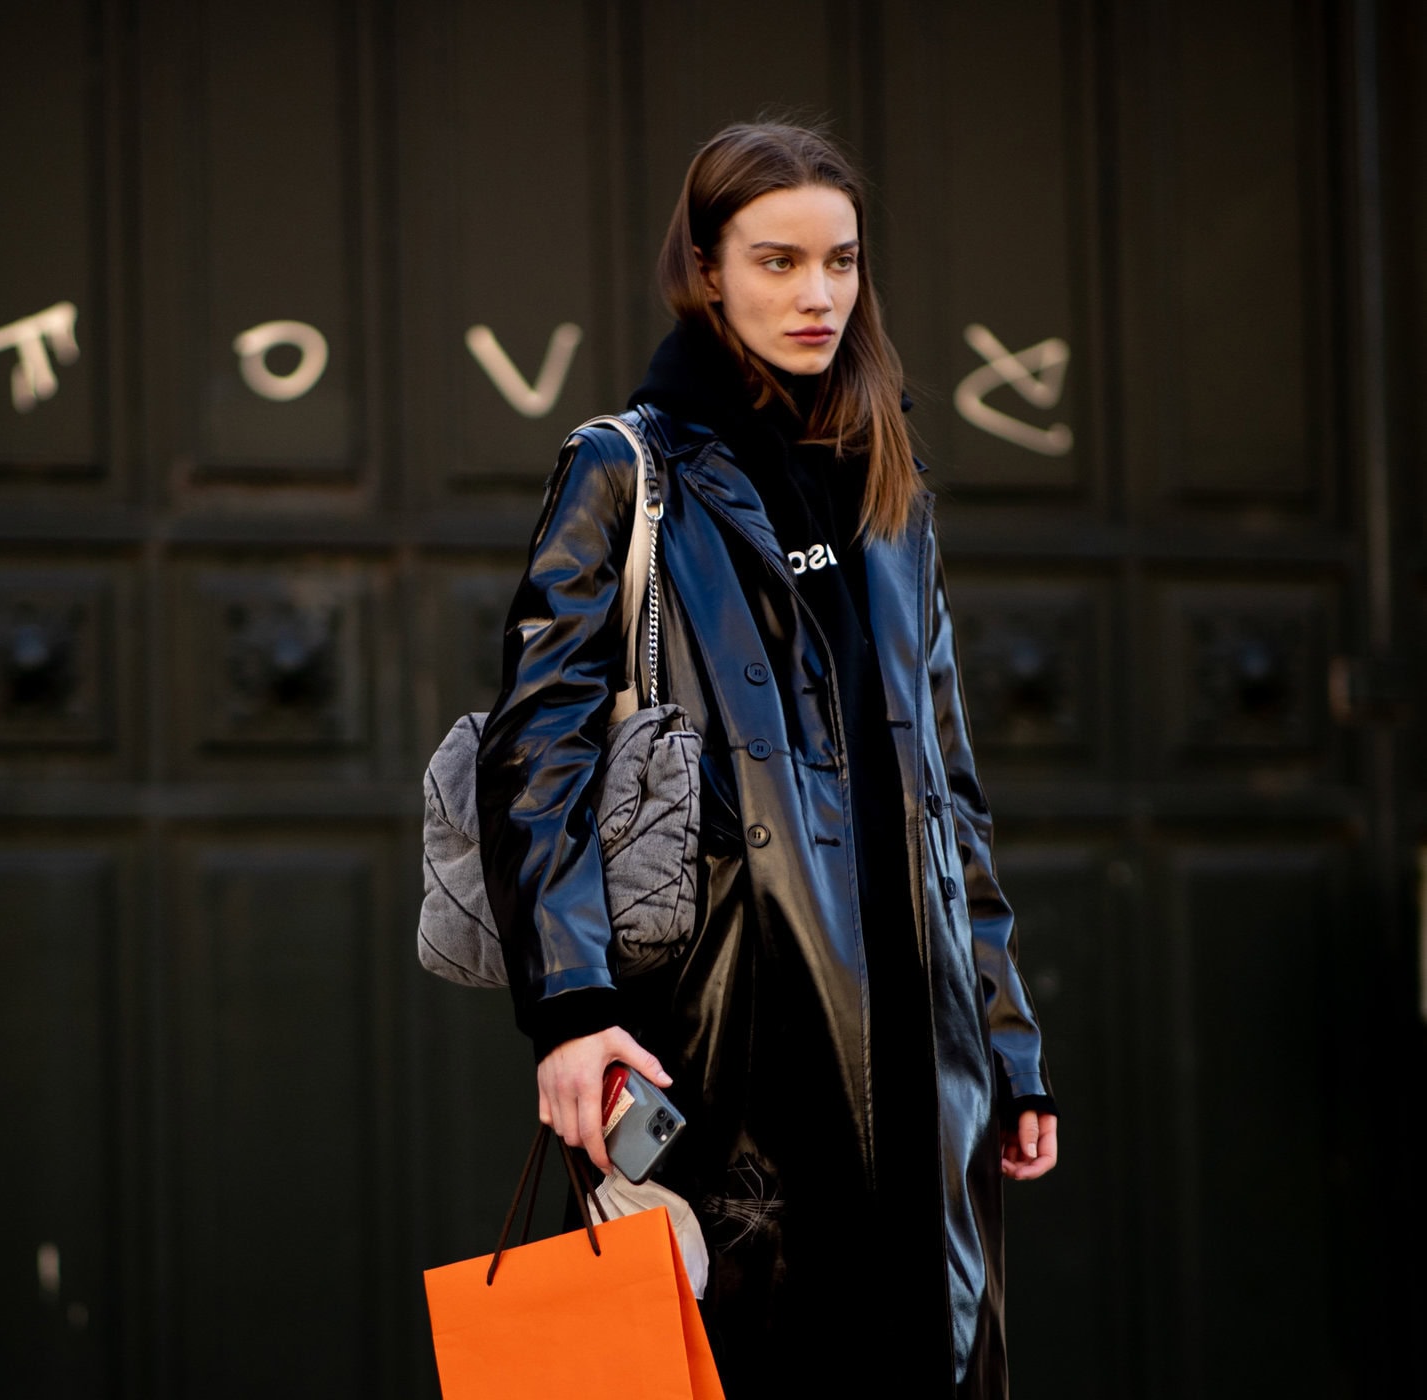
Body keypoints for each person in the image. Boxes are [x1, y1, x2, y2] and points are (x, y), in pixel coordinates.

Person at [475, 122, 1058, 1398]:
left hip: (918, 1042)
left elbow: (946, 784)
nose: (817, 296)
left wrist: (1007, 1040)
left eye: (841, 263)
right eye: (779, 260)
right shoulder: (626, 469)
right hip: (734, 1031)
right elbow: (538, 755)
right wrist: (572, 1011)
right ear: (707, 267)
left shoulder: (886, 475)